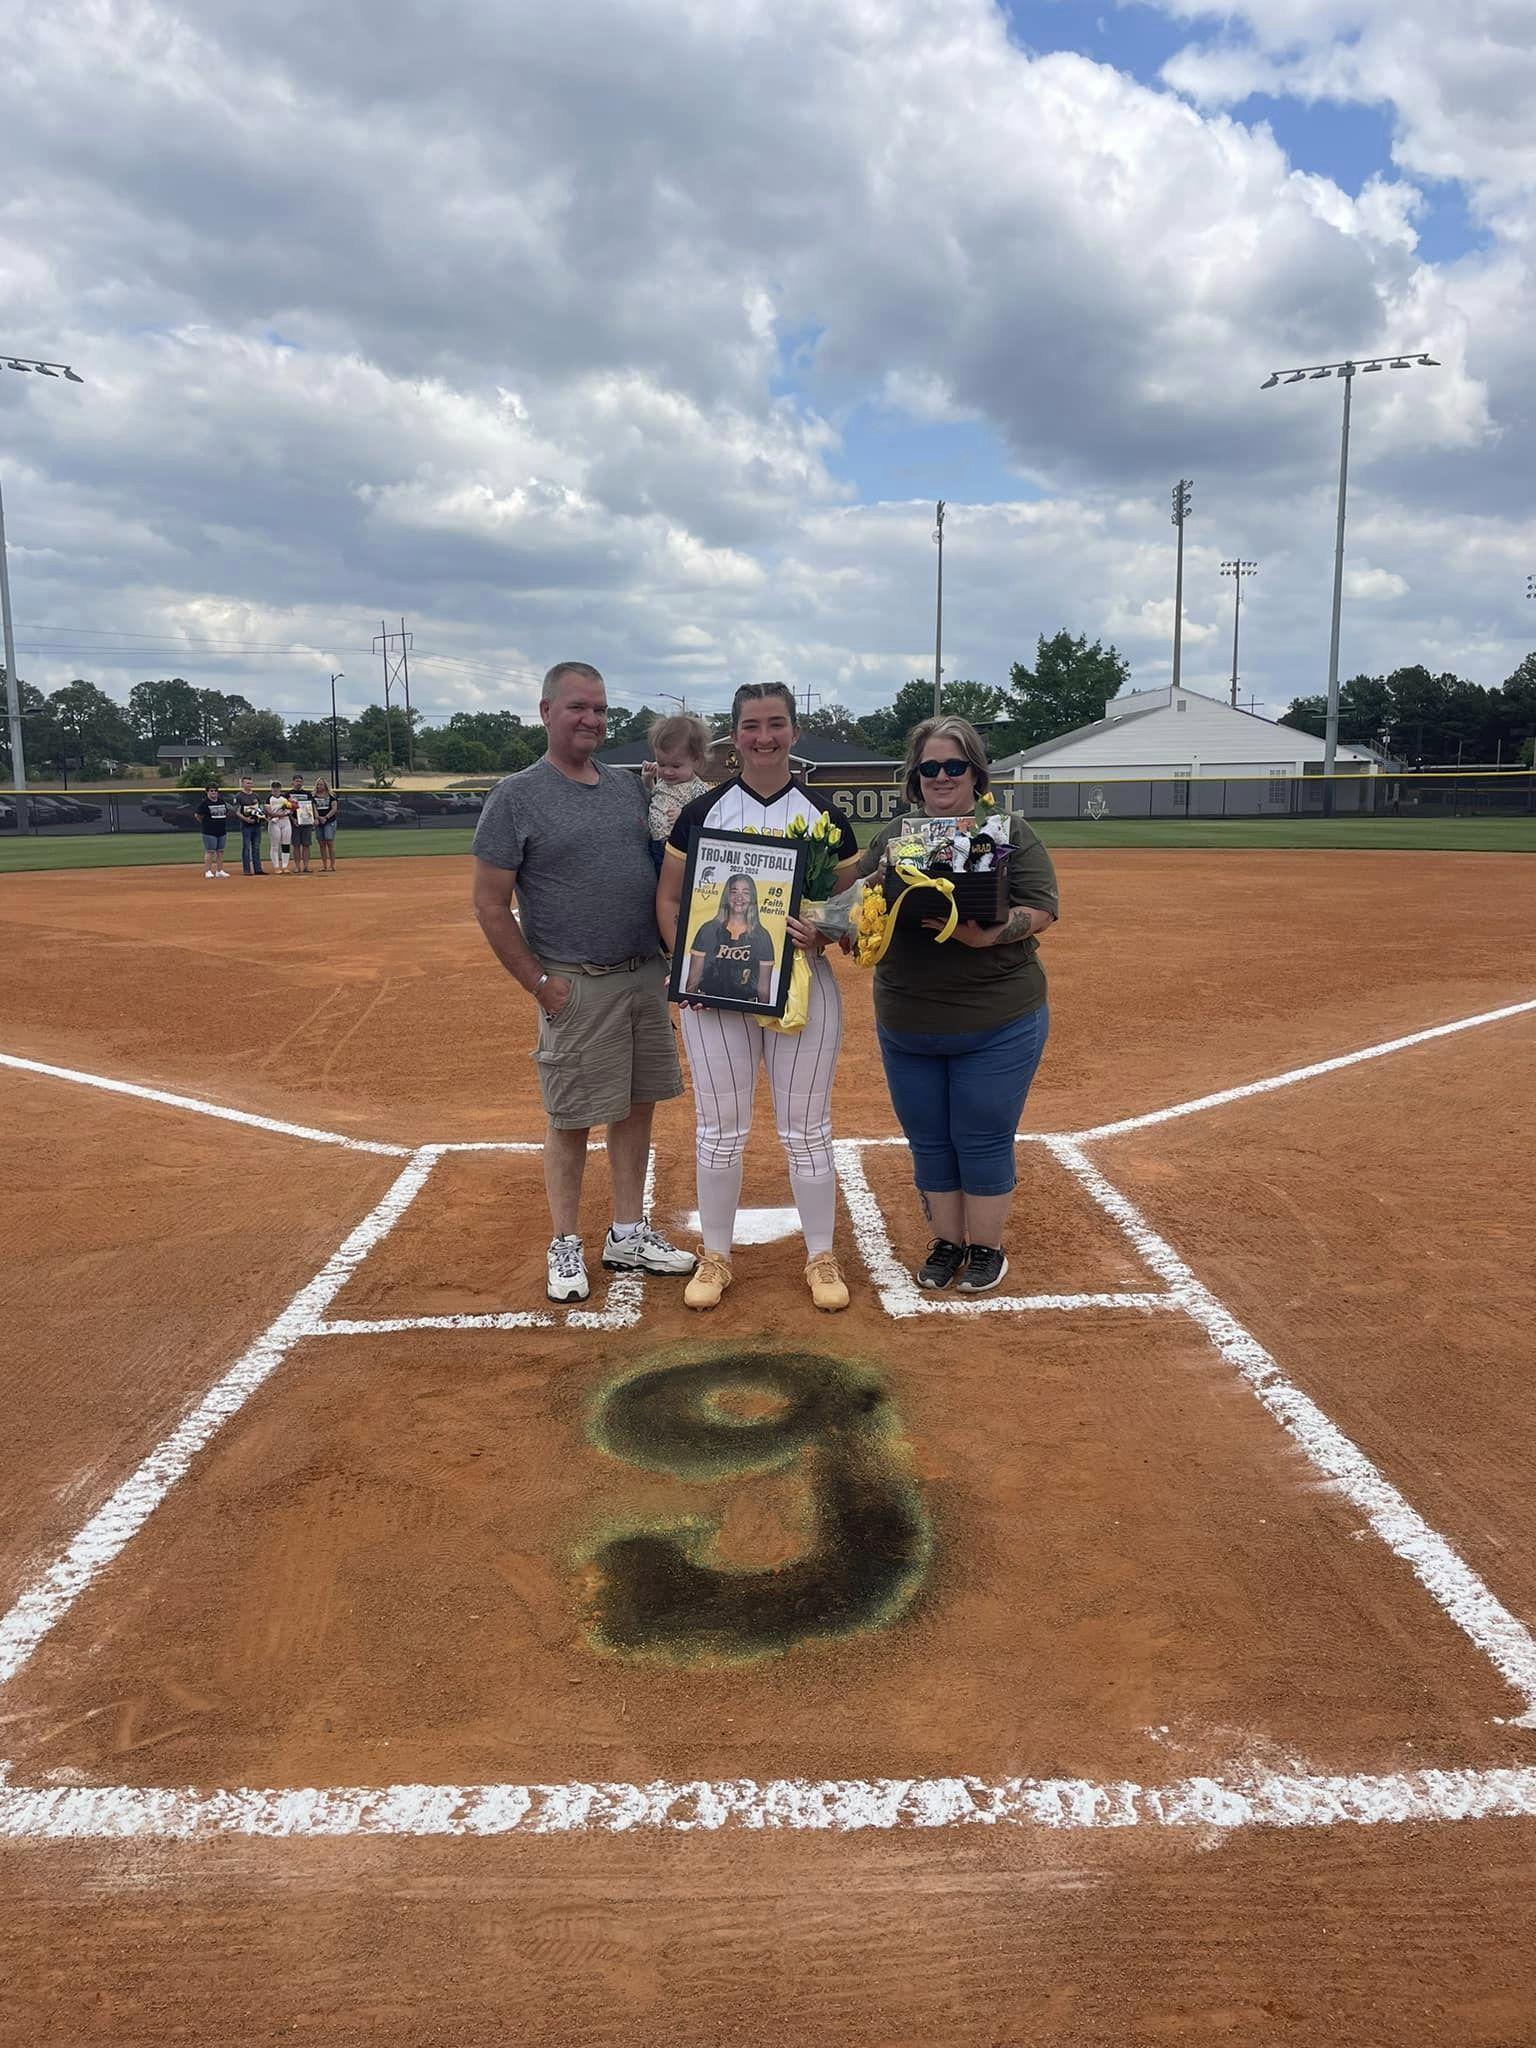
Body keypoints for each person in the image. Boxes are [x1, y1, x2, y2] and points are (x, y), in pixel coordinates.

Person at [471, 659, 696, 1305]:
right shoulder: (517, 795)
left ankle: (626, 1231)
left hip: (642, 976)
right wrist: (540, 983)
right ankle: (565, 1240)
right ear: (546, 712)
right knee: (570, 1117)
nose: (591, 719)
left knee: (636, 1108)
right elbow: (490, 905)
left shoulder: (630, 787)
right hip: (574, 984)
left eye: (599, 709)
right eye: (577, 707)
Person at [657, 680, 861, 1314]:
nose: (764, 736)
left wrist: (824, 932)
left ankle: (820, 1254)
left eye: (776, 724)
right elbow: (669, 900)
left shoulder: (825, 815)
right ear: (734, 735)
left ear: (794, 732)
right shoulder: (704, 812)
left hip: (800, 985)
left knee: (807, 1130)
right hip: (717, 993)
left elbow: (849, 915)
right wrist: (687, 969)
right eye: (751, 725)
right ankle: (715, 1256)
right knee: (720, 1129)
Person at [855, 715, 1059, 1294]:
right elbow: (860, 902)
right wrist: (827, 924)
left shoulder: (1009, 831)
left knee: (982, 1134)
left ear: (975, 771)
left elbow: (1042, 908)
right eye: (929, 768)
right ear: (914, 778)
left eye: (954, 765)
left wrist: (986, 936)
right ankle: (947, 1243)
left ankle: (986, 1248)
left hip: (997, 1017)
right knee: (929, 1137)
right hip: (909, 1019)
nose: (942, 776)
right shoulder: (893, 838)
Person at [685, 873, 776, 1005]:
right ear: (727, 896)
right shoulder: (708, 930)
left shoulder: (762, 936)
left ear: (752, 898)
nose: (739, 897)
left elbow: (763, 989)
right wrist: (691, 1004)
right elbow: (693, 979)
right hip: (706, 1007)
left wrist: (762, 1018)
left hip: (745, 1010)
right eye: (734, 891)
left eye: (746, 892)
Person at [639, 711, 711, 873]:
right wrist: (648, 780)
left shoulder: (697, 788)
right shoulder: (663, 783)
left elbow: (705, 818)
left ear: (696, 760)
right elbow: (655, 799)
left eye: (676, 766)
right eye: (662, 764)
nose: (668, 772)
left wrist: (685, 815)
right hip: (654, 845)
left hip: (678, 848)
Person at [195, 783, 231, 879]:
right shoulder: (204, 803)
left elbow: (226, 813)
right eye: (211, 791)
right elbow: (197, 815)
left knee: (220, 851)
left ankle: (219, 870)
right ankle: (208, 871)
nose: (214, 793)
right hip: (209, 831)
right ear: (207, 792)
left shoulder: (221, 801)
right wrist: (205, 823)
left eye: (215, 791)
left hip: (221, 830)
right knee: (210, 851)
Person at [234, 775, 266, 875]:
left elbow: (259, 809)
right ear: (243, 784)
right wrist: (246, 819)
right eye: (247, 783)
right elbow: (237, 812)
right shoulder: (239, 796)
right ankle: (247, 870)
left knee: (256, 847)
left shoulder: (256, 796)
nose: (249, 785)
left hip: (256, 825)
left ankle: (258, 869)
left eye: (250, 783)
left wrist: (262, 818)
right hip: (246, 825)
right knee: (246, 847)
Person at [288, 774, 316, 874]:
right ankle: (296, 866)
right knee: (296, 845)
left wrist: (313, 819)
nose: (298, 783)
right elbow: (286, 810)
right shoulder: (288, 794)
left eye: (300, 781)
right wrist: (292, 819)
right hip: (294, 822)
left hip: (306, 822)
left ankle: (306, 866)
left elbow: (312, 807)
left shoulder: (307, 794)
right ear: (292, 782)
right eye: (296, 781)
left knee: (306, 845)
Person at [266, 781, 293, 873]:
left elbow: (291, 807)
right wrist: (279, 814)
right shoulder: (269, 798)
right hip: (274, 822)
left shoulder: (284, 797)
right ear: (271, 788)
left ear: (280, 788)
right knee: (275, 845)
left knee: (286, 844)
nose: (276, 789)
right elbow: (268, 811)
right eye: (274, 787)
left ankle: (285, 866)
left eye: (277, 787)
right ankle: (276, 866)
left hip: (285, 821)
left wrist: (289, 810)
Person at [313, 778, 338, 871]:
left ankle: (332, 865)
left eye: (321, 784)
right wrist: (318, 817)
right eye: (318, 784)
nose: (319, 786)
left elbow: (334, 808)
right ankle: (324, 865)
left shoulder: (331, 795)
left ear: (325, 785)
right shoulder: (313, 796)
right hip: (319, 821)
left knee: (329, 842)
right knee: (321, 843)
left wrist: (326, 817)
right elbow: (313, 807)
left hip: (329, 821)